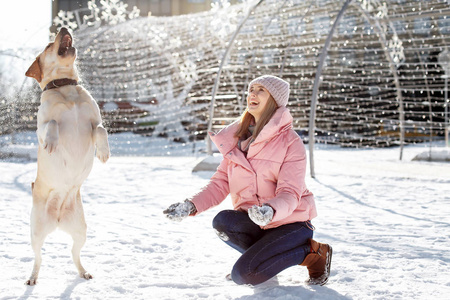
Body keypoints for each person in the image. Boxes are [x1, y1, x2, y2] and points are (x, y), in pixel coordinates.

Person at [163, 75, 332, 286]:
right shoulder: (239, 141)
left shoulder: (290, 142)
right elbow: (219, 183)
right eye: (251, 89)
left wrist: (270, 210)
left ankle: (313, 253)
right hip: (257, 223)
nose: (252, 93)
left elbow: (291, 193)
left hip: (291, 223)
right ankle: (263, 261)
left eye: (261, 90)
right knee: (223, 221)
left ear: (274, 100)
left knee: (244, 275)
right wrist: (190, 205)